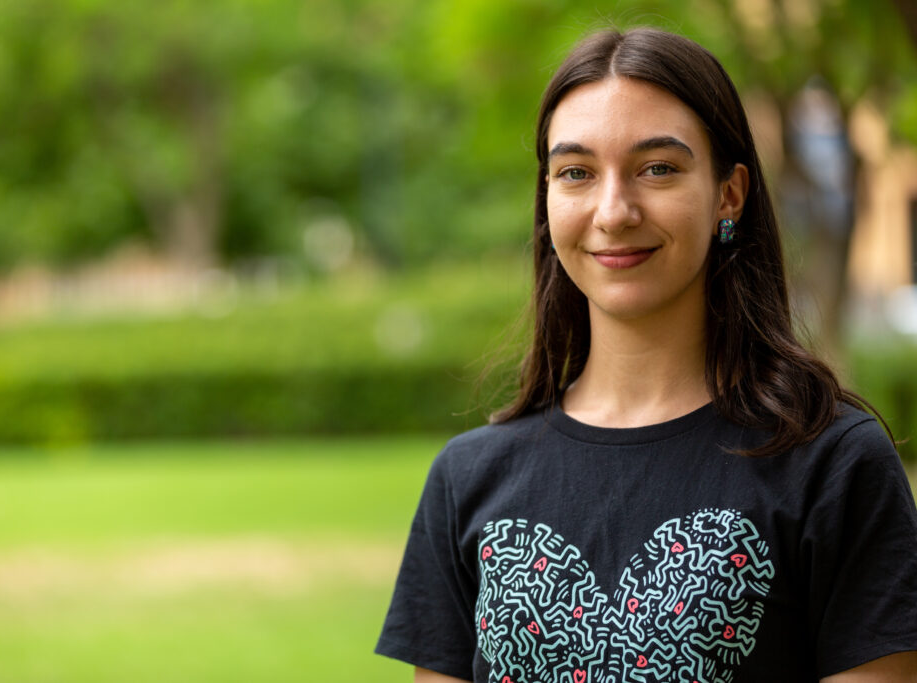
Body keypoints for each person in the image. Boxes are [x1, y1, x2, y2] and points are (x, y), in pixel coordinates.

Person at [375, 27, 917, 683]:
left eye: (657, 168)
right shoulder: (467, 480)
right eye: (576, 173)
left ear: (729, 194)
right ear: (547, 201)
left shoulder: (832, 463)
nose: (614, 210)